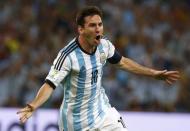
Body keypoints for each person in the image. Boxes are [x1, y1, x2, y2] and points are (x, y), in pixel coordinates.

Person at [17, 6, 180, 131]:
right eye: (93, 25)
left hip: (102, 112)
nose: (98, 29)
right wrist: (34, 105)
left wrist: (153, 73)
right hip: (76, 124)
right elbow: (50, 84)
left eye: (100, 25)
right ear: (81, 29)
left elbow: (123, 62)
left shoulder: (104, 46)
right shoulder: (67, 56)